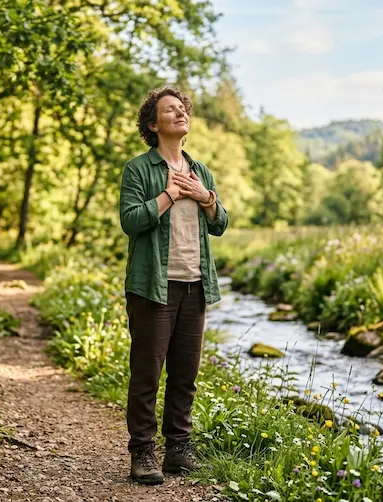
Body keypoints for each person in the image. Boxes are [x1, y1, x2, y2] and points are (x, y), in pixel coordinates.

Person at [118, 85, 229, 485]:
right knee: (147, 372)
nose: (180, 113)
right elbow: (130, 220)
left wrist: (206, 197)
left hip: (195, 285)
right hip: (153, 287)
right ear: (153, 123)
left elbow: (220, 224)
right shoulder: (139, 169)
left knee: (185, 374)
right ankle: (143, 453)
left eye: (183, 109)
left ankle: (178, 450)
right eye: (170, 110)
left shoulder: (201, 172)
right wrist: (168, 194)